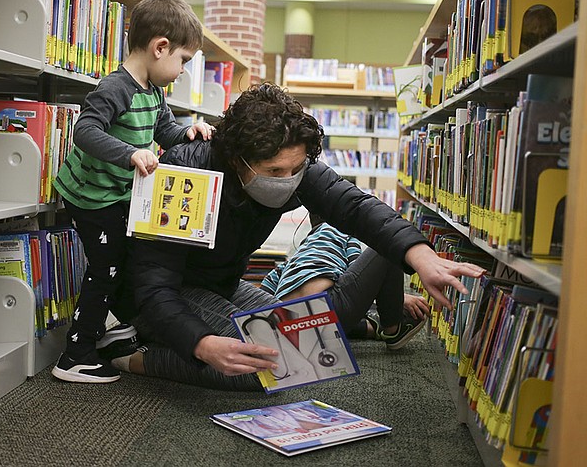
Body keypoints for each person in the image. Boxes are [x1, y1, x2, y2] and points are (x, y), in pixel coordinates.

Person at [111, 83, 484, 391]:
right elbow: (153, 288)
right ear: (237, 159)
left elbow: (356, 207)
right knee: (276, 366)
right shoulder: (185, 172)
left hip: (221, 284)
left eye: (295, 168)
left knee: (310, 342)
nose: (286, 179)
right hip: (158, 296)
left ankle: (195, 342)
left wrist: (422, 256)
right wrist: (202, 344)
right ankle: (134, 356)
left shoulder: (297, 167)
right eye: (273, 170)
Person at [51, 0, 214, 384]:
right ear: (161, 47)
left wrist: (187, 131)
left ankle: (108, 331)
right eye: (183, 61)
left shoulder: (154, 92)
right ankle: (75, 354)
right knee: (105, 268)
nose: (182, 71)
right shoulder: (116, 87)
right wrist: (130, 154)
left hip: (118, 194)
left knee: (128, 257)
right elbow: (85, 131)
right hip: (90, 197)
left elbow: (164, 130)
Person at [260, 221, 430, 349]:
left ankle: (366, 327)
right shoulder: (344, 231)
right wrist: (398, 299)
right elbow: (357, 277)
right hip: (329, 307)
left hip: (287, 318)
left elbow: (266, 287)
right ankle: (393, 330)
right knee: (387, 246)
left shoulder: (298, 254)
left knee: (339, 305)